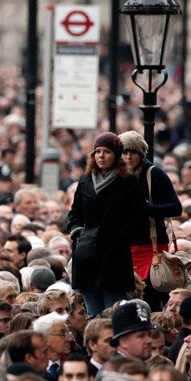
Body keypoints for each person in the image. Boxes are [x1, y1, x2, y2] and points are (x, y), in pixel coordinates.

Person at [67, 132, 147, 315]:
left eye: (107, 152)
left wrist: (117, 238)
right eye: (97, 151)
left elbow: (138, 218)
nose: (101, 156)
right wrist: (77, 232)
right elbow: (75, 212)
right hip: (86, 254)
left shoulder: (128, 182)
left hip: (113, 256)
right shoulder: (86, 179)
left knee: (114, 311)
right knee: (93, 312)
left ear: (117, 155)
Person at [119, 131, 183, 311]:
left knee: (150, 298)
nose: (128, 156)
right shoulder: (117, 175)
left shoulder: (154, 174)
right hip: (126, 246)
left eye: (133, 152)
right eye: (124, 152)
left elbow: (176, 208)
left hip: (151, 246)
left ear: (141, 153)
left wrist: (148, 209)